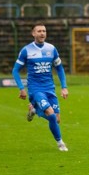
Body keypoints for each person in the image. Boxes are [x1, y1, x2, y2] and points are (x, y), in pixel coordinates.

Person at [12, 23, 69, 151]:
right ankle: (61, 143)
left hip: (50, 88)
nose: (42, 33)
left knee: (56, 119)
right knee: (51, 114)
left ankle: (34, 110)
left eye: (44, 31)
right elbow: (15, 70)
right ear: (33, 34)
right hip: (35, 89)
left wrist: (64, 87)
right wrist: (22, 88)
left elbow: (59, 68)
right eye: (39, 31)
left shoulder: (51, 49)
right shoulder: (26, 50)